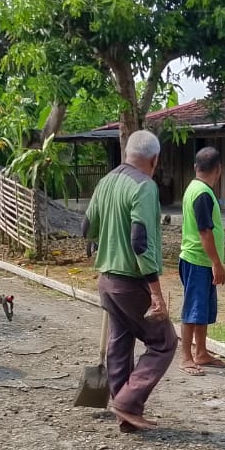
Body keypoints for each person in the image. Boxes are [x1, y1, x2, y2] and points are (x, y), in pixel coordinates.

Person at [84, 129, 177, 431]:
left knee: (120, 342)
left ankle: (124, 414)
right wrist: (156, 293)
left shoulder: (106, 181)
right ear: (154, 159)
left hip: (107, 281)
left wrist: (108, 240)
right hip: (130, 283)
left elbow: (87, 228)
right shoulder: (144, 186)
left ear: (127, 153)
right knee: (164, 342)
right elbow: (140, 243)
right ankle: (126, 402)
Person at [177, 146, 225, 376]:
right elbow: (204, 232)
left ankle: (201, 352)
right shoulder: (203, 194)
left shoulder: (194, 187)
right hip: (198, 260)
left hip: (200, 260)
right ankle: (186, 357)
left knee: (203, 309)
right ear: (218, 169)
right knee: (193, 309)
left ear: (196, 167)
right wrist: (217, 263)